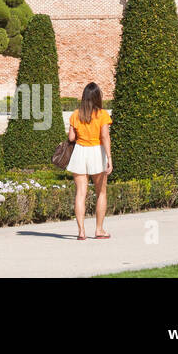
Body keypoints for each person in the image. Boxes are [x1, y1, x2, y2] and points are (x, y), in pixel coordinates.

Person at [66, 82, 111, 240]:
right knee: (101, 193)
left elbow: (71, 137)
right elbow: (105, 136)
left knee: (80, 194)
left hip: (80, 152)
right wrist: (110, 158)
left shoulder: (76, 114)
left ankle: (81, 231)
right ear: (98, 97)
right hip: (96, 152)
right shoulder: (102, 114)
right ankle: (99, 230)